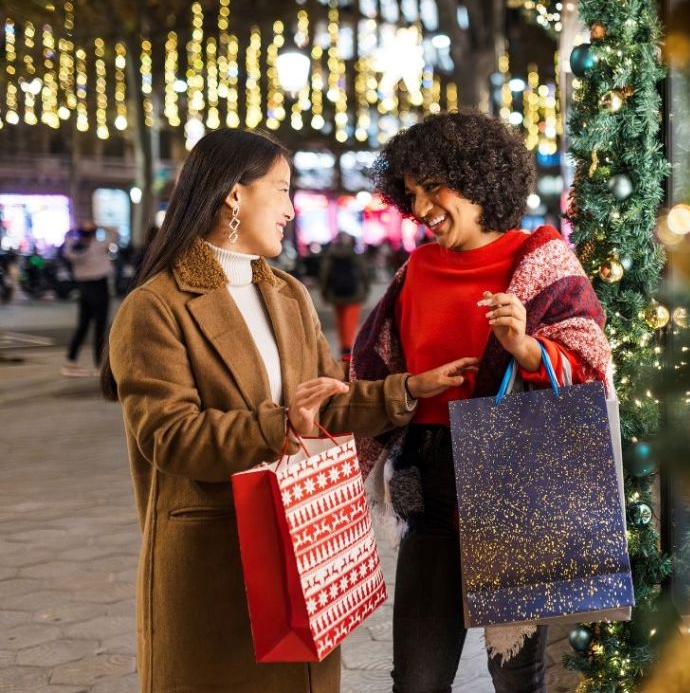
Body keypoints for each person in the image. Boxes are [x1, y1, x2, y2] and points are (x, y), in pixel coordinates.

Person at [100, 128, 478, 693]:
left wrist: (407, 389)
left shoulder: (286, 293)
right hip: (216, 560)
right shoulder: (155, 307)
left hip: (301, 548)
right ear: (234, 195)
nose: (290, 207)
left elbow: (324, 399)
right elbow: (170, 438)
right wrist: (281, 426)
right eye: (280, 189)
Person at [352, 110, 612, 693]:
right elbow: (377, 368)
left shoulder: (541, 260)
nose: (420, 209)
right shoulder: (415, 268)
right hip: (426, 478)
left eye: (432, 188)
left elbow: (592, 366)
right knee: (417, 678)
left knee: (516, 676)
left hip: (514, 478)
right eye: (412, 194)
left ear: (475, 177)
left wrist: (524, 348)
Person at [62, 220, 113, 376]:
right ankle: (99, 364)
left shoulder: (73, 247)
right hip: (99, 286)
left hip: (84, 287)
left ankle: (71, 361)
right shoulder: (96, 246)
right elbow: (114, 235)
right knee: (100, 326)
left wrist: (74, 230)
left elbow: (67, 242)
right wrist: (100, 225)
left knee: (83, 325)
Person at [319, 232, 372, 356]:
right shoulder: (355, 255)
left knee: (340, 321)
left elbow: (324, 275)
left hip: (336, 294)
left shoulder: (331, 256)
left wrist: (324, 293)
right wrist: (366, 290)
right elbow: (365, 274)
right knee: (351, 321)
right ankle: (348, 347)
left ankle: (343, 346)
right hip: (354, 294)